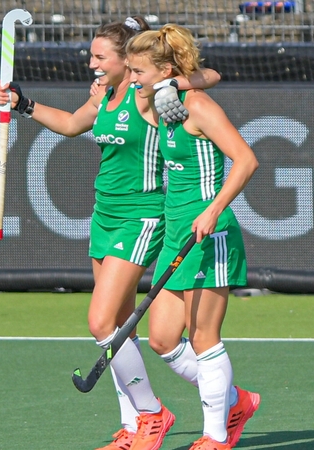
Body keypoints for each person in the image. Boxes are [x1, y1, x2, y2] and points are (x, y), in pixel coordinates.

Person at [0, 17, 220, 450]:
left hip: (141, 217)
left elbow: (210, 75)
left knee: (100, 321)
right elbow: (70, 123)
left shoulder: (147, 94)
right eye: (91, 55)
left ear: (125, 61)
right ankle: (136, 425)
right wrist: (22, 103)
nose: (91, 63)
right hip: (105, 216)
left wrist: (175, 86)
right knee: (120, 327)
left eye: (101, 57)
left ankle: (154, 414)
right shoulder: (106, 97)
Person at [127, 24, 261, 450]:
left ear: (165, 69)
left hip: (210, 235)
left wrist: (213, 209)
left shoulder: (198, 106)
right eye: (129, 70)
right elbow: (200, 73)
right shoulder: (161, 103)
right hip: (176, 238)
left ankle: (215, 436)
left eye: (138, 71)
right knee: (163, 339)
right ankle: (235, 401)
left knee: (204, 339)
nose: (132, 79)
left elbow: (245, 160)